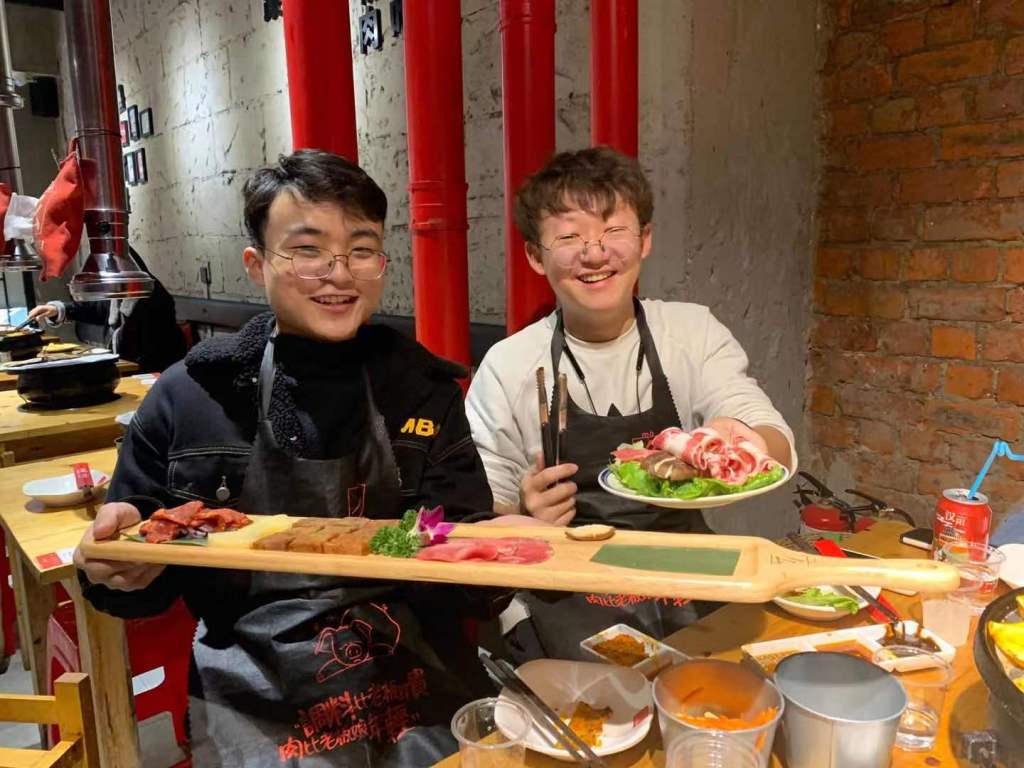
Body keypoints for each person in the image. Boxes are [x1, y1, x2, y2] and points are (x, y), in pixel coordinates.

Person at [74, 150, 496, 767]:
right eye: (307, 250)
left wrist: (503, 556)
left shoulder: (421, 389)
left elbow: (464, 553)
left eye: (360, 249)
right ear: (257, 264)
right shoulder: (192, 396)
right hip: (256, 688)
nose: (338, 273)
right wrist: (114, 569)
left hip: (413, 672)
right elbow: (136, 580)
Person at [465, 146, 797, 659]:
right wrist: (525, 513)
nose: (595, 254)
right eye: (569, 237)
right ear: (535, 255)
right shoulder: (509, 365)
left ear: (644, 239)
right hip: (568, 587)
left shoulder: (691, 332)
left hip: (688, 574)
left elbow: (772, 437)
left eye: (614, 230)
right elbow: (479, 511)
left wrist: (738, 444)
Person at [29, 246, 187, 373]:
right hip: (131, 366)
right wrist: (57, 309)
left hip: (158, 370)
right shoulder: (119, 290)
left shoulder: (152, 298)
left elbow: (150, 354)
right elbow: (97, 309)